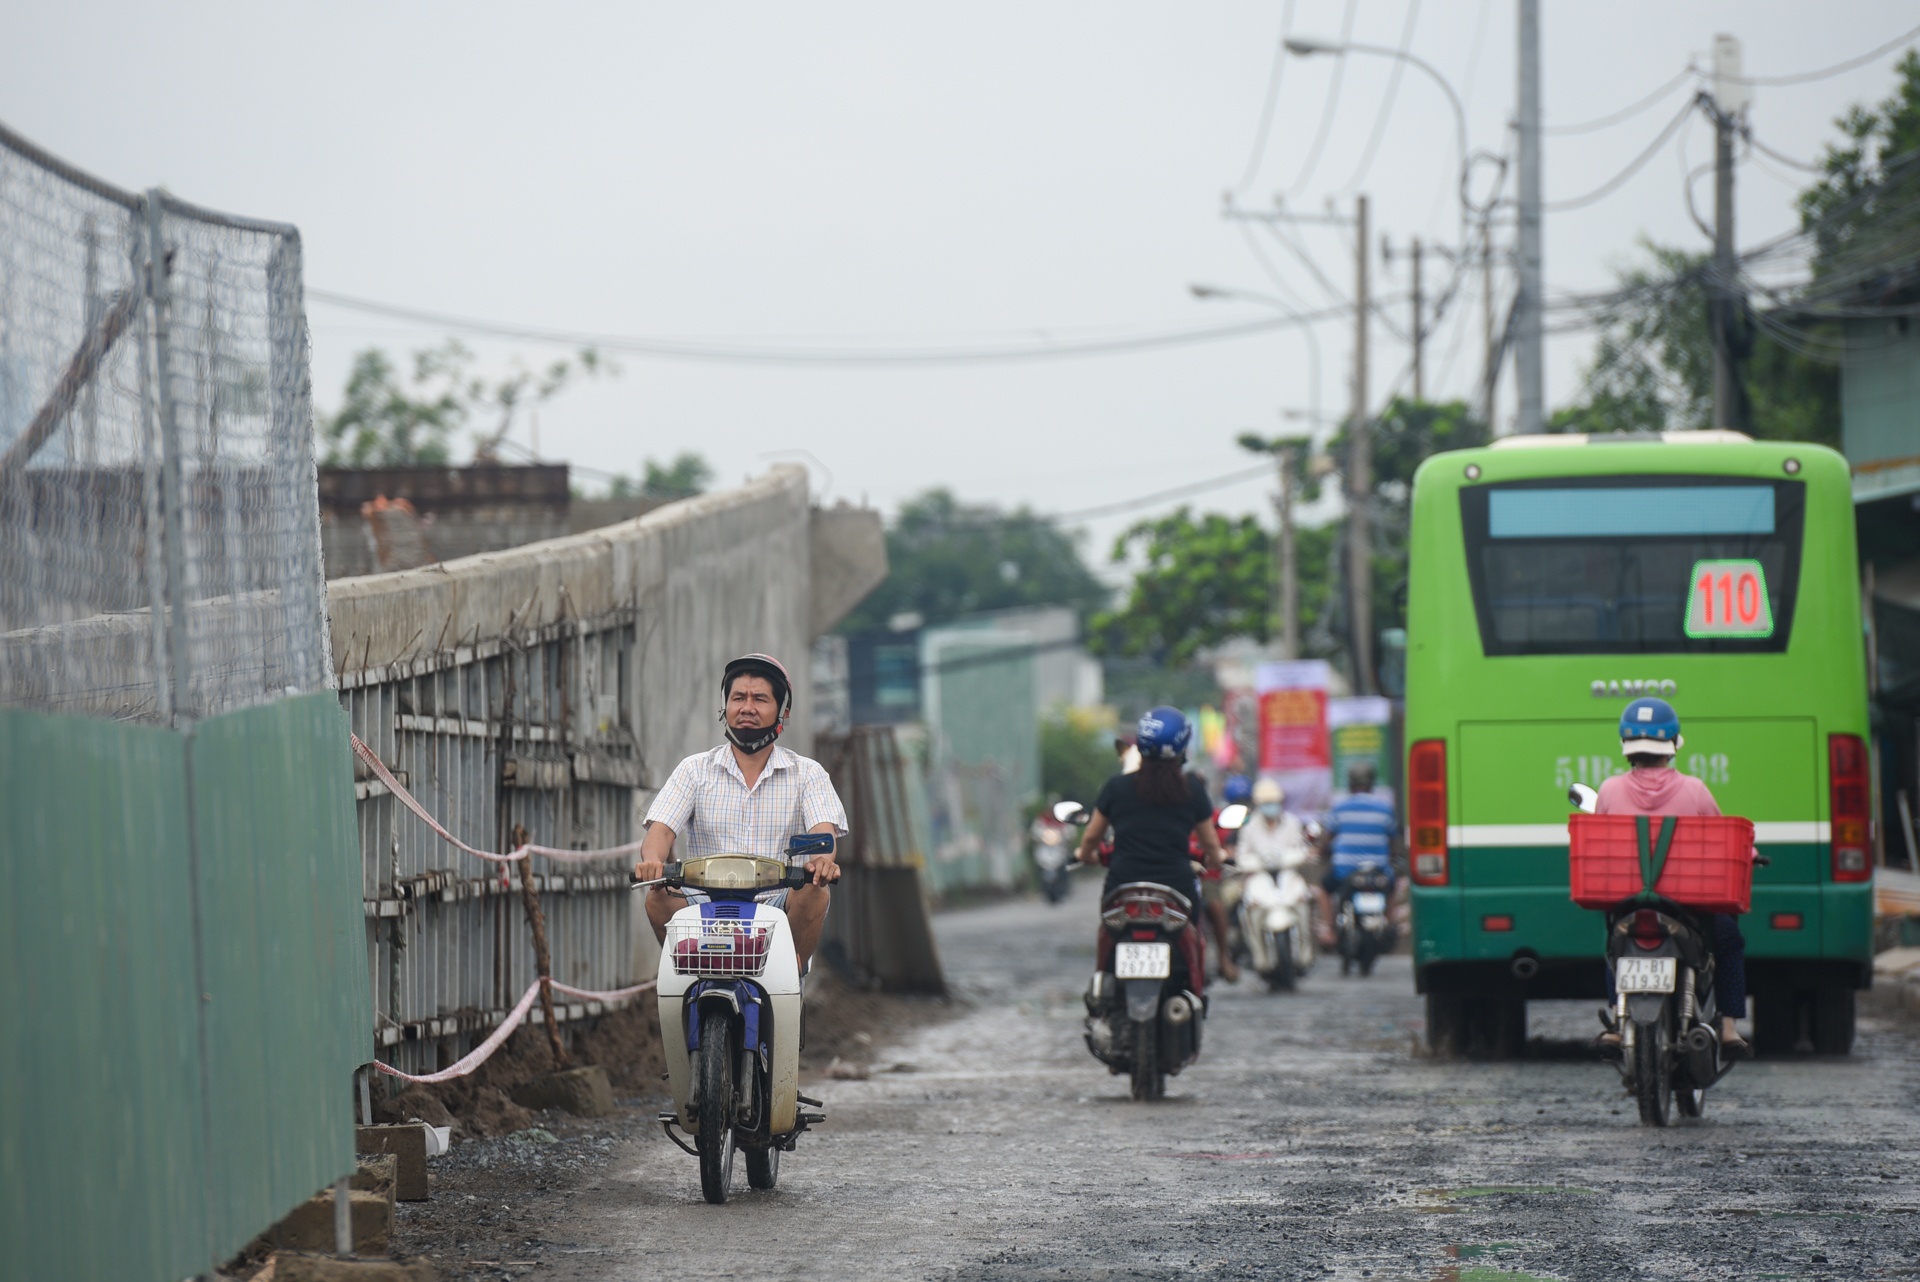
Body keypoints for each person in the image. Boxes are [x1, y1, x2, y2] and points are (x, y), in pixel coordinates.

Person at [632, 653, 847, 972]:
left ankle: (790, 977)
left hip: (776, 900)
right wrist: (652, 861)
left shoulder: (808, 774)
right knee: (657, 899)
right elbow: (661, 831)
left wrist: (821, 864)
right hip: (702, 899)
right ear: (725, 708)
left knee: (816, 894)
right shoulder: (694, 770)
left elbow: (822, 834)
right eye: (738, 698)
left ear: (782, 712)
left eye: (760, 698)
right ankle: (686, 977)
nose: (747, 707)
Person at [1595, 697, 1750, 1056]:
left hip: (1630, 901)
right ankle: (1728, 1029)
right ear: (1673, 745)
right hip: (1686, 903)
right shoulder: (1694, 789)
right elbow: (1723, 838)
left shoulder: (1608, 790)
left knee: (1613, 941)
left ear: (1626, 746)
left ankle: (1618, 1026)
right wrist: (1752, 855)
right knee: (1729, 940)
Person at [1075, 706, 1227, 993]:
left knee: (1109, 933)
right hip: (1177, 888)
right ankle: (1193, 991)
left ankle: (1101, 984)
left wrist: (1086, 856)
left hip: (1122, 886)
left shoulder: (1116, 788)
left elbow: (1091, 839)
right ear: (1183, 747)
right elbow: (1209, 845)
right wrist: (1218, 859)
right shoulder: (1192, 790)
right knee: (1193, 937)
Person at [1316, 762, 1400, 944]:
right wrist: (1393, 858)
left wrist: (1321, 851)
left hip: (1345, 872)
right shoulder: (1385, 810)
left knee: (1323, 889)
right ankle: (1391, 922)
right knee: (1393, 886)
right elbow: (1393, 841)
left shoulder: (1340, 809)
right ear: (1372, 784)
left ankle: (1330, 930)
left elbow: (1328, 838)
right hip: (1379, 871)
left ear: (1351, 784)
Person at [1194, 774, 1253, 983]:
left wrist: (1226, 855)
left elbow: (1227, 846)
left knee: (1217, 908)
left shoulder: (1215, 817)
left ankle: (1223, 957)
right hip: (1178, 874)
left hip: (1207, 877)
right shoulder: (1172, 813)